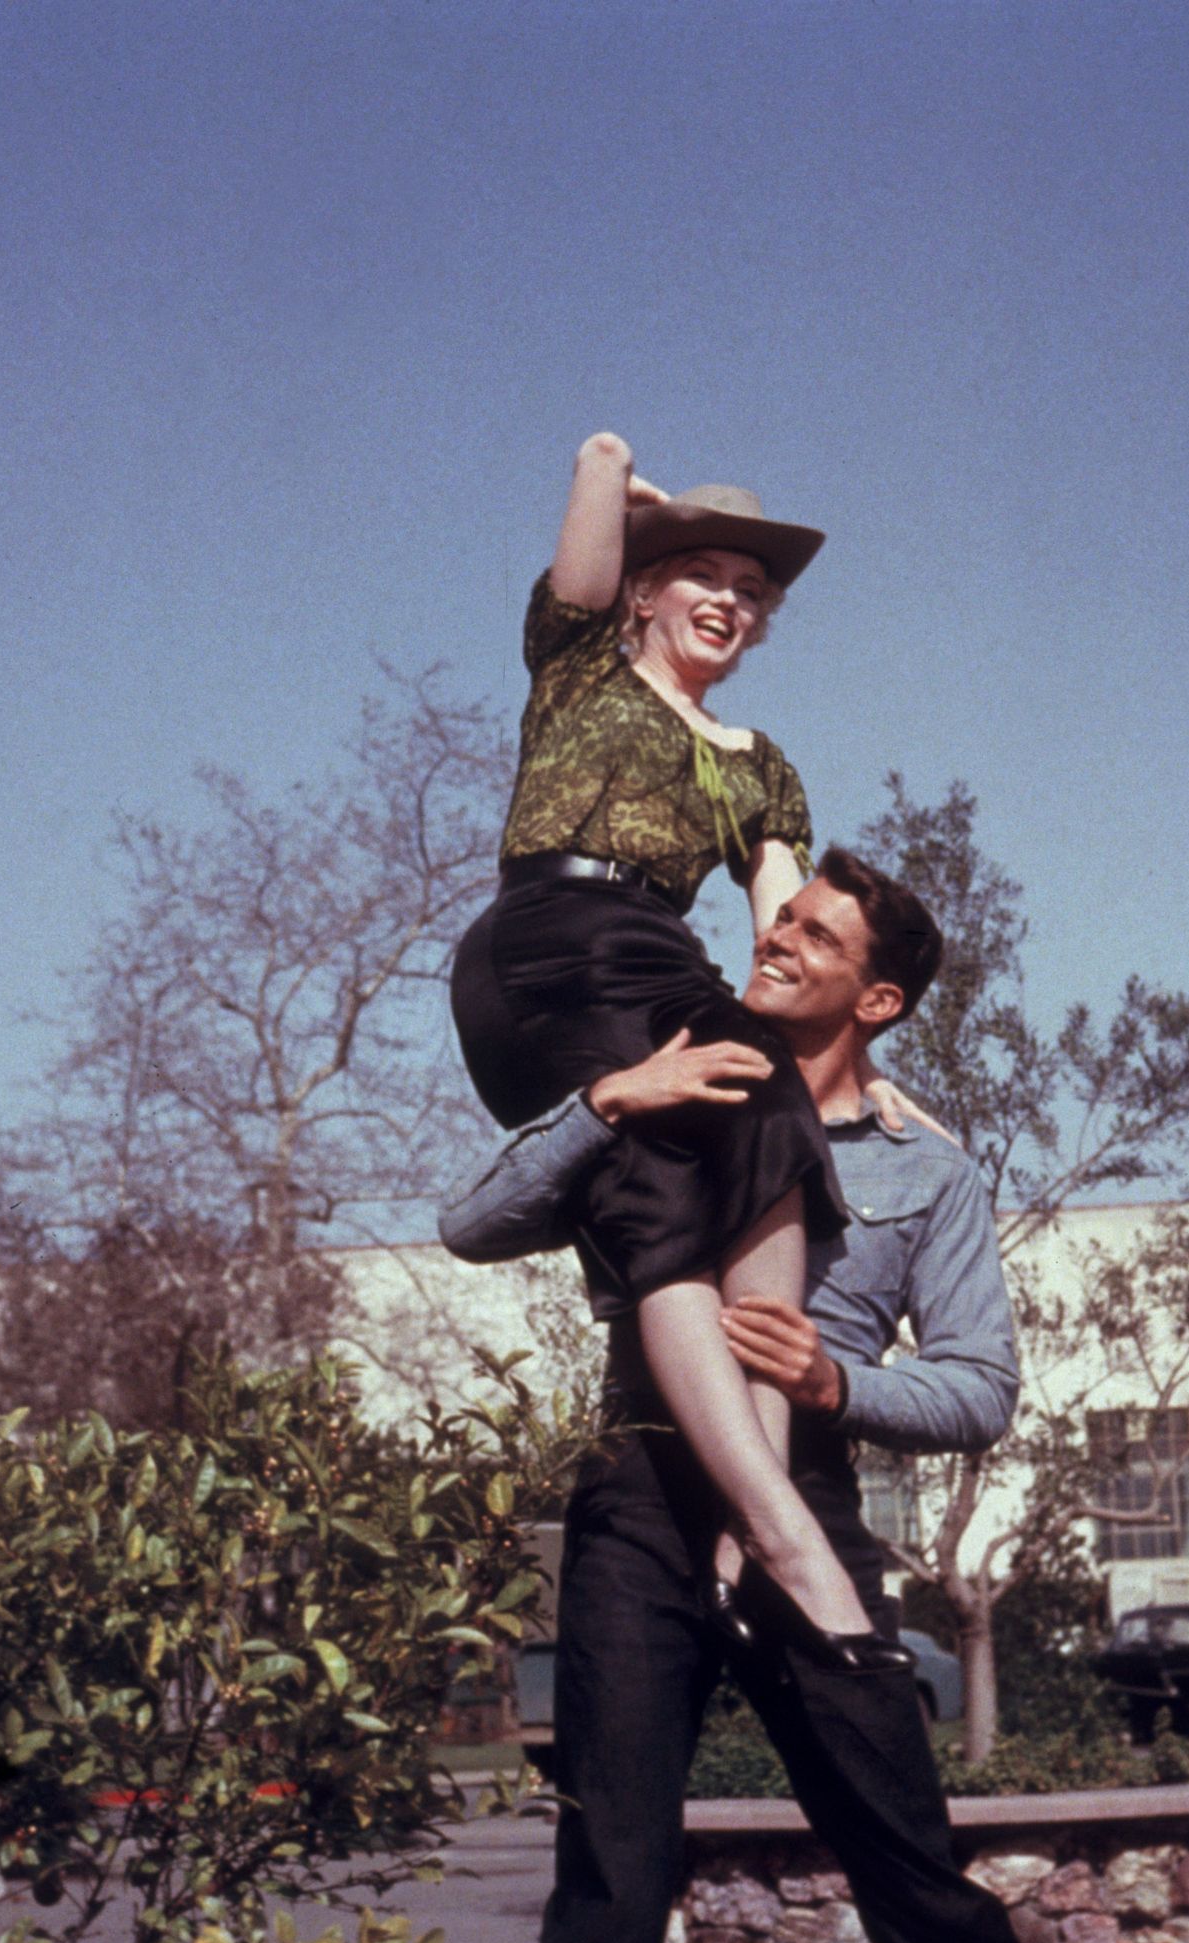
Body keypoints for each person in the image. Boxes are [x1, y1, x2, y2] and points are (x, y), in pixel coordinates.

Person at [440, 851, 1067, 1943]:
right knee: (607, 1896)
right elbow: (473, 1221)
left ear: (876, 1000)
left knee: (918, 1883)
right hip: (639, 1500)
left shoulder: (925, 1168)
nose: (774, 940)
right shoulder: (679, 1082)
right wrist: (612, 1096)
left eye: (815, 938)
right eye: (780, 917)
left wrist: (841, 1386)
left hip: (813, 1519)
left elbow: (982, 1385)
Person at [450, 431, 900, 1668]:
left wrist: (857, 1068)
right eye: (705, 576)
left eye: (752, 594)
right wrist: (629, 494)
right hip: (547, 942)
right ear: (648, 590)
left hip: (656, 960)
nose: (732, 604)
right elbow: (593, 479)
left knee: (774, 1118)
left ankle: (751, 1531)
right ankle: (778, 1524)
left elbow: (791, 937)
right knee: (659, 1160)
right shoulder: (581, 665)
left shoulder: (763, 768)